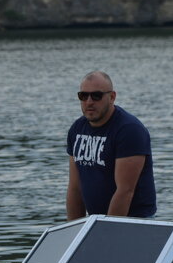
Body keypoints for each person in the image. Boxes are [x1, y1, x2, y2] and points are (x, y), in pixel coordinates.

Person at [66, 70, 156, 219]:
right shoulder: (77, 129)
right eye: (83, 96)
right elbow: (75, 188)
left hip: (135, 223)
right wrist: (74, 232)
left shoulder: (129, 130)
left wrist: (107, 234)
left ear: (112, 97)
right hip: (97, 222)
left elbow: (125, 191)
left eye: (96, 96)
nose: (89, 102)